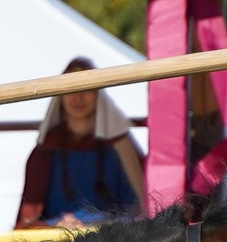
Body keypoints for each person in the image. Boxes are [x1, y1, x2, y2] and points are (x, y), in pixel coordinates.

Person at [16, 57, 146, 228]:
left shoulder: (121, 149)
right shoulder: (45, 153)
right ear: (61, 97)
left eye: (86, 88)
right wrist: (57, 228)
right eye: (71, 89)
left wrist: (95, 225)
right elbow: (28, 222)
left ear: (98, 94)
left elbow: (137, 212)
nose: (78, 97)